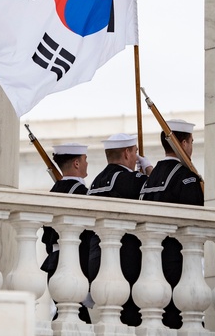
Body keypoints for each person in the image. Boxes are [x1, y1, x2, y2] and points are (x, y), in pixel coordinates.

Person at [139, 118, 203, 329]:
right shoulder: (186, 178)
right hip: (178, 263)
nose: (191, 147)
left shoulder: (150, 178)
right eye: (191, 142)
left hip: (149, 264)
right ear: (183, 144)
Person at [86, 132, 153, 326]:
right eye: (135, 152)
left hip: (96, 260)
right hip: (125, 262)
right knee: (130, 321)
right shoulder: (128, 179)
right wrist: (148, 169)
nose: (136, 157)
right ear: (126, 153)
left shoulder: (95, 183)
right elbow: (158, 188)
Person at [40, 142, 99, 324]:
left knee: (67, 318)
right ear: (76, 163)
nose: (87, 164)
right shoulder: (82, 193)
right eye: (85, 159)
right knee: (75, 321)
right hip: (76, 266)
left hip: (54, 265)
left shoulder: (53, 192)